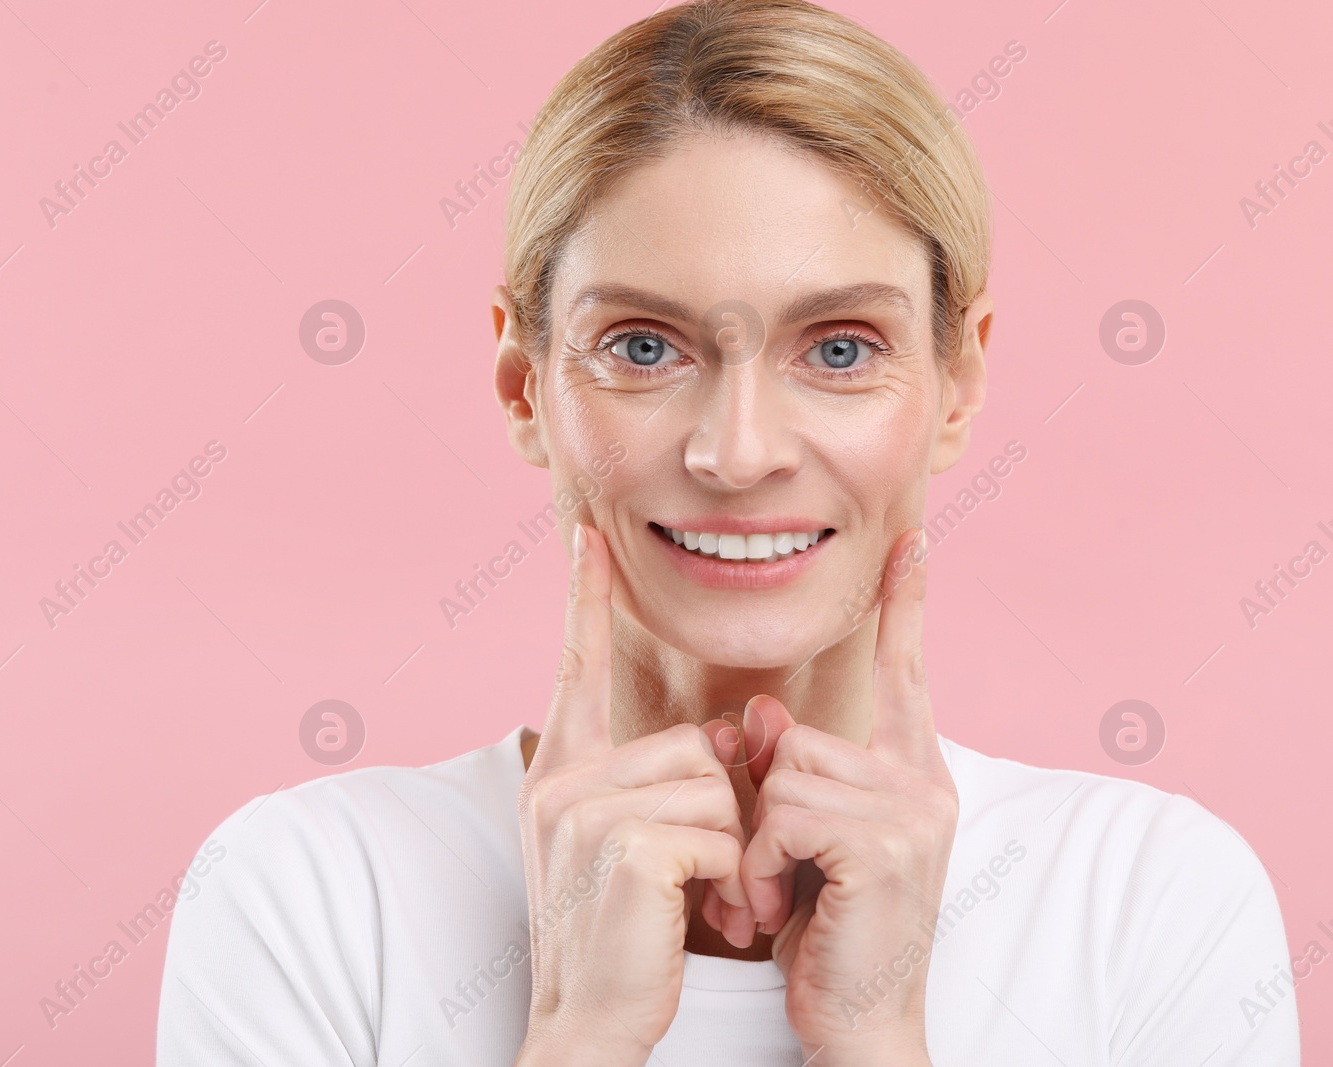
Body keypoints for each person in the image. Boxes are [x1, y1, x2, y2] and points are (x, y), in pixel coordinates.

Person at [155, 1, 1300, 1062]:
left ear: (956, 381)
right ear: (522, 385)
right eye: (645, 346)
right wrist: (579, 1032)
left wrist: (879, 1031)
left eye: (840, 348)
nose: (738, 450)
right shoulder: (308, 889)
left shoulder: (1149, 897)